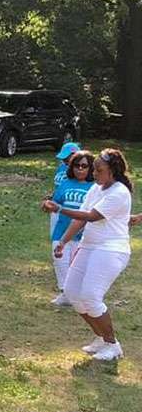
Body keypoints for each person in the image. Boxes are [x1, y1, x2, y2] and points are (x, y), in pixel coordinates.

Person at [43, 148, 133, 361]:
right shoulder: (96, 188)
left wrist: (58, 209)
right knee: (72, 293)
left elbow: (91, 216)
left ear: (112, 171)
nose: (94, 173)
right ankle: (101, 338)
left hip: (110, 249)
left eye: (99, 170)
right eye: (94, 169)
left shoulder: (119, 192)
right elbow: (80, 219)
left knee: (91, 296)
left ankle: (113, 345)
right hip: (89, 246)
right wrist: (63, 242)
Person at [41, 150, 94, 307]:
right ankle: (66, 293)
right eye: (76, 165)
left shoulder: (95, 188)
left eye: (84, 166)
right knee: (60, 262)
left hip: (83, 234)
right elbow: (55, 204)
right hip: (61, 230)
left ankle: (73, 294)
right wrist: (47, 205)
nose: (80, 169)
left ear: (91, 168)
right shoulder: (65, 183)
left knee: (76, 266)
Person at [50, 141, 81, 236]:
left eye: (67, 159)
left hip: (70, 207)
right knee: (55, 236)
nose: (64, 161)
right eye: (63, 159)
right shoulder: (61, 167)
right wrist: (53, 195)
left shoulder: (80, 171)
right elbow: (59, 185)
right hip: (56, 205)